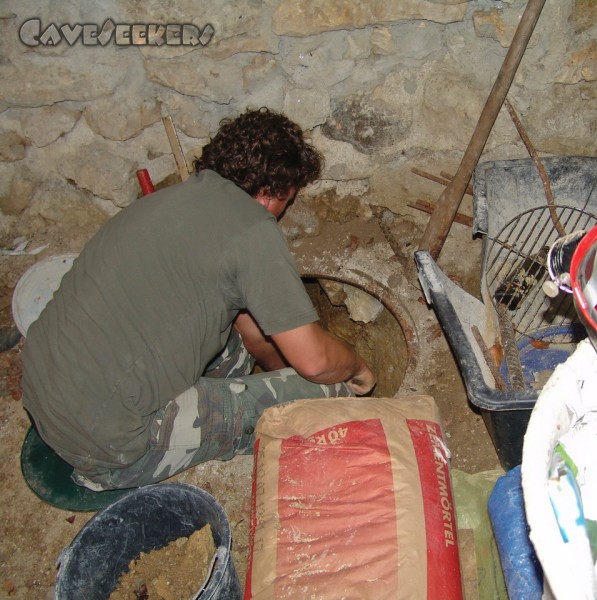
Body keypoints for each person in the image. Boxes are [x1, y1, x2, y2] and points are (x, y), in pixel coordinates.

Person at [21, 107, 376, 491]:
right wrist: (356, 366)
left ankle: (214, 403)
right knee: (328, 391)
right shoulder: (252, 231)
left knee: (237, 344)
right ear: (275, 194)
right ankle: (152, 450)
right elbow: (316, 362)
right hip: (111, 446)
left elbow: (254, 335)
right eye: (288, 201)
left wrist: (277, 375)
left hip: (47, 388)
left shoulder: (167, 202)